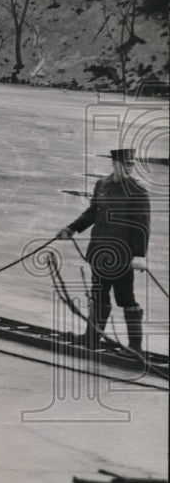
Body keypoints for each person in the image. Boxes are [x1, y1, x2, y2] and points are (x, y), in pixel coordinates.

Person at [57, 148, 150, 351]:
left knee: (125, 298)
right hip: (99, 251)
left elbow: (142, 226)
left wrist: (139, 255)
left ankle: (135, 346)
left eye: (131, 164)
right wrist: (72, 228)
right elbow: (92, 213)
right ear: (115, 164)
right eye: (125, 164)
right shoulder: (102, 184)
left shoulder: (137, 190)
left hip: (123, 256)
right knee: (99, 294)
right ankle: (91, 338)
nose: (129, 168)